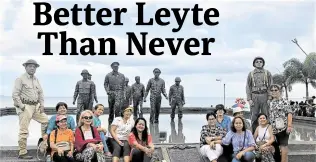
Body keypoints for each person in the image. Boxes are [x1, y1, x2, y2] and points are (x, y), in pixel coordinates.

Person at [12, 59, 49, 159]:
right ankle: (22, 152)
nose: (32, 68)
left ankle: (43, 144)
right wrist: (22, 106)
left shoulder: (36, 79)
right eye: (30, 66)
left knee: (46, 121)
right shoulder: (20, 79)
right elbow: (15, 95)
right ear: (25, 67)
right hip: (25, 106)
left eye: (34, 66)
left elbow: (40, 93)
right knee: (24, 129)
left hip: (35, 106)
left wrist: (42, 105)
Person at [246, 56, 273, 133]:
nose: (259, 63)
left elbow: (270, 86)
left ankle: (267, 132)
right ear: (254, 64)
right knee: (254, 115)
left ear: (263, 63)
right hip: (254, 96)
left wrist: (269, 98)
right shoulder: (251, 74)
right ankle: (254, 133)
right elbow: (248, 86)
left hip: (264, 95)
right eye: (257, 62)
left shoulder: (267, 73)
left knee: (266, 114)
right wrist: (249, 99)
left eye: (260, 62)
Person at [268, 84, 292, 162]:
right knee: (275, 148)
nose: (274, 91)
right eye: (272, 90)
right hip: (273, 130)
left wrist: (289, 126)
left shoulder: (284, 101)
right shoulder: (270, 102)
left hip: (283, 128)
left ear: (280, 91)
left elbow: (289, 113)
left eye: (276, 90)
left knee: (283, 147)